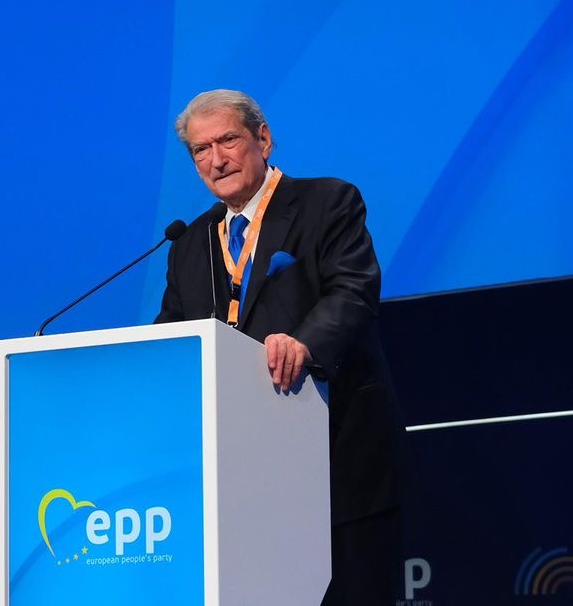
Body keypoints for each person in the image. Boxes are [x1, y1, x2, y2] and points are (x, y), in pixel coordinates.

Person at [154, 89, 403, 605]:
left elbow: (353, 290)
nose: (216, 160)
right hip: (240, 486)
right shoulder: (188, 244)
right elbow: (171, 338)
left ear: (262, 140)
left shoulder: (327, 202)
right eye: (201, 150)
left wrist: (304, 345)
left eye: (227, 140)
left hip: (336, 465)